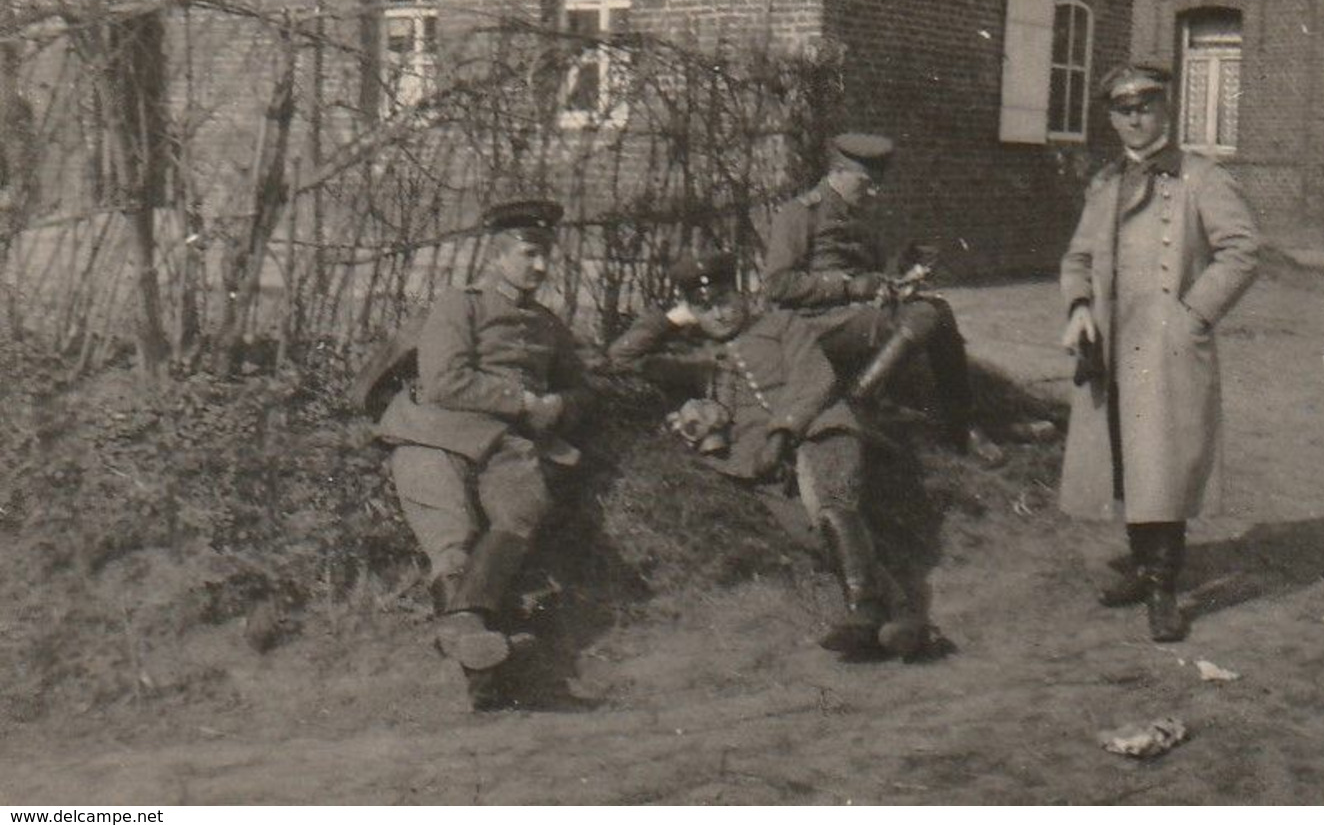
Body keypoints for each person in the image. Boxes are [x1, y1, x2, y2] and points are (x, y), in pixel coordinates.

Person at [607, 250, 928, 659]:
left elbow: (815, 379)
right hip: (760, 464)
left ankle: (864, 610)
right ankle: (901, 617)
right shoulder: (701, 360)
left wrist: (781, 434)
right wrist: (670, 320)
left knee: (829, 504)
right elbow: (619, 358)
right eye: (703, 308)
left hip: (819, 429)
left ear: (741, 295)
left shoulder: (782, 325)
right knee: (811, 533)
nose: (719, 315)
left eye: (724, 300)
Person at [1058, 64, 1259, 642]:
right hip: (1110, 343)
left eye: (1144, 105)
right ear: (1112, 117)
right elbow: (1077, 258)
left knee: (1162, 465)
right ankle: (1143, 569)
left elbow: (1242, 250)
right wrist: (1077, 308)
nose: (1134, 117)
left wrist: (1193, 314)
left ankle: (1163, 590)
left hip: (1166, 344)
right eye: (1122, 109)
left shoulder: (1200, 178)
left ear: (1165, 109)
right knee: (1126, 459)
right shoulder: (1104, 184)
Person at [375, 198, 592, 707]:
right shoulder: (460, 305)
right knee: (453, 537)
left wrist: (559, 405)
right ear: (498, 255)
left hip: (509, 443)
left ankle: (465, 628)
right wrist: (521, 400)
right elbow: (445, 381)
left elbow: (585, 390)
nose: (539, 266)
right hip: (436, 432)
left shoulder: (549, 325)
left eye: (545, 256)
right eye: (528, 254)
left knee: (523, 511)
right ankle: (483, 671)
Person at [763, 132, 1004, 466]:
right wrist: (846, 288)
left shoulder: (858, 217)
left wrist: (902, 276)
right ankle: (859, 402)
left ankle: (962, 424)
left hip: (856, 318)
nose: (874, 192)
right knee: (922, 316)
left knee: (939, 311)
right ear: (839, 172)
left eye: (877, 183)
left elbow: (873, 276)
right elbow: (777, 284)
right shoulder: (799, 214)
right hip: (814, 324)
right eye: (866, 183)